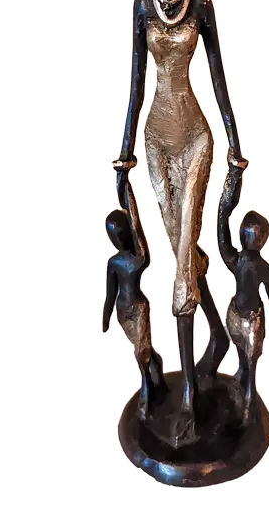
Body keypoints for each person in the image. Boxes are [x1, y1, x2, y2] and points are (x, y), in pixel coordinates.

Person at [114, 0, 245, 440]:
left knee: (181, 269)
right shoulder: (143, 6)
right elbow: (135, 84)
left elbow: (219, 82)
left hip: (192, 140)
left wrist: (235, 148)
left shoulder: (201, 3)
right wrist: (124, 155)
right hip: (156, 143)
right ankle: (216, 339)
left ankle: (190, 387)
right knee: (182, 256)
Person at [217, 165, 269, 426]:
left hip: (241, 316)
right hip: (245, 317)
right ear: (263, 240)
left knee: (248, 359)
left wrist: (223, 212)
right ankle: (246, 388)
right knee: (247, 359)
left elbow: (223, 240)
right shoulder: (263, 269)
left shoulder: (238, 261)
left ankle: (248, 399)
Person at [103, 178, 166, 420]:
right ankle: (157, 376)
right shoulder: (115, 262)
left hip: (138, 309)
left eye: (119, 232)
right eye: (112, 235)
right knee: (143, 350)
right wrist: (106, 315)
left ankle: (148, 389)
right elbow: (110, 291)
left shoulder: (137, 259)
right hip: (123, 310)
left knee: (142, 353)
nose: (116, 238)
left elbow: (138, 229)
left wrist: (127, 190)